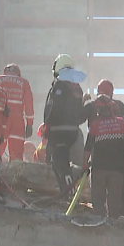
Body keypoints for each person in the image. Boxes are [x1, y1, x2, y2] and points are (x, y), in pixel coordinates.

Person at [84, 96, 124, 219]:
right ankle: (113, 225)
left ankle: (100, 223)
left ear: (98, 110)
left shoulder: (95, 125)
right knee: (114, 202)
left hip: (99, 169)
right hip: (118, 169)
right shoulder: (122, 123)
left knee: (98, 200)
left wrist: (84, 164)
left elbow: (87, 148)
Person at [43, 54, 87, 192]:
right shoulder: (77, 88)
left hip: (58, 132)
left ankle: (67, 193)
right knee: (70, 163)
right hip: (73, 132)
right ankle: (75, 189)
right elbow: (80, 115)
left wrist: (47, 126)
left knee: (60, 165)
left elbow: (53, 108)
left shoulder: (58, 86)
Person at [0, 63, 35, 161]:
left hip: (1, 118)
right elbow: (29, 104)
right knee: (16, 155)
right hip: (17, 120)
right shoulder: (24, 83)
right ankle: (15, 170)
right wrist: (29, 124)